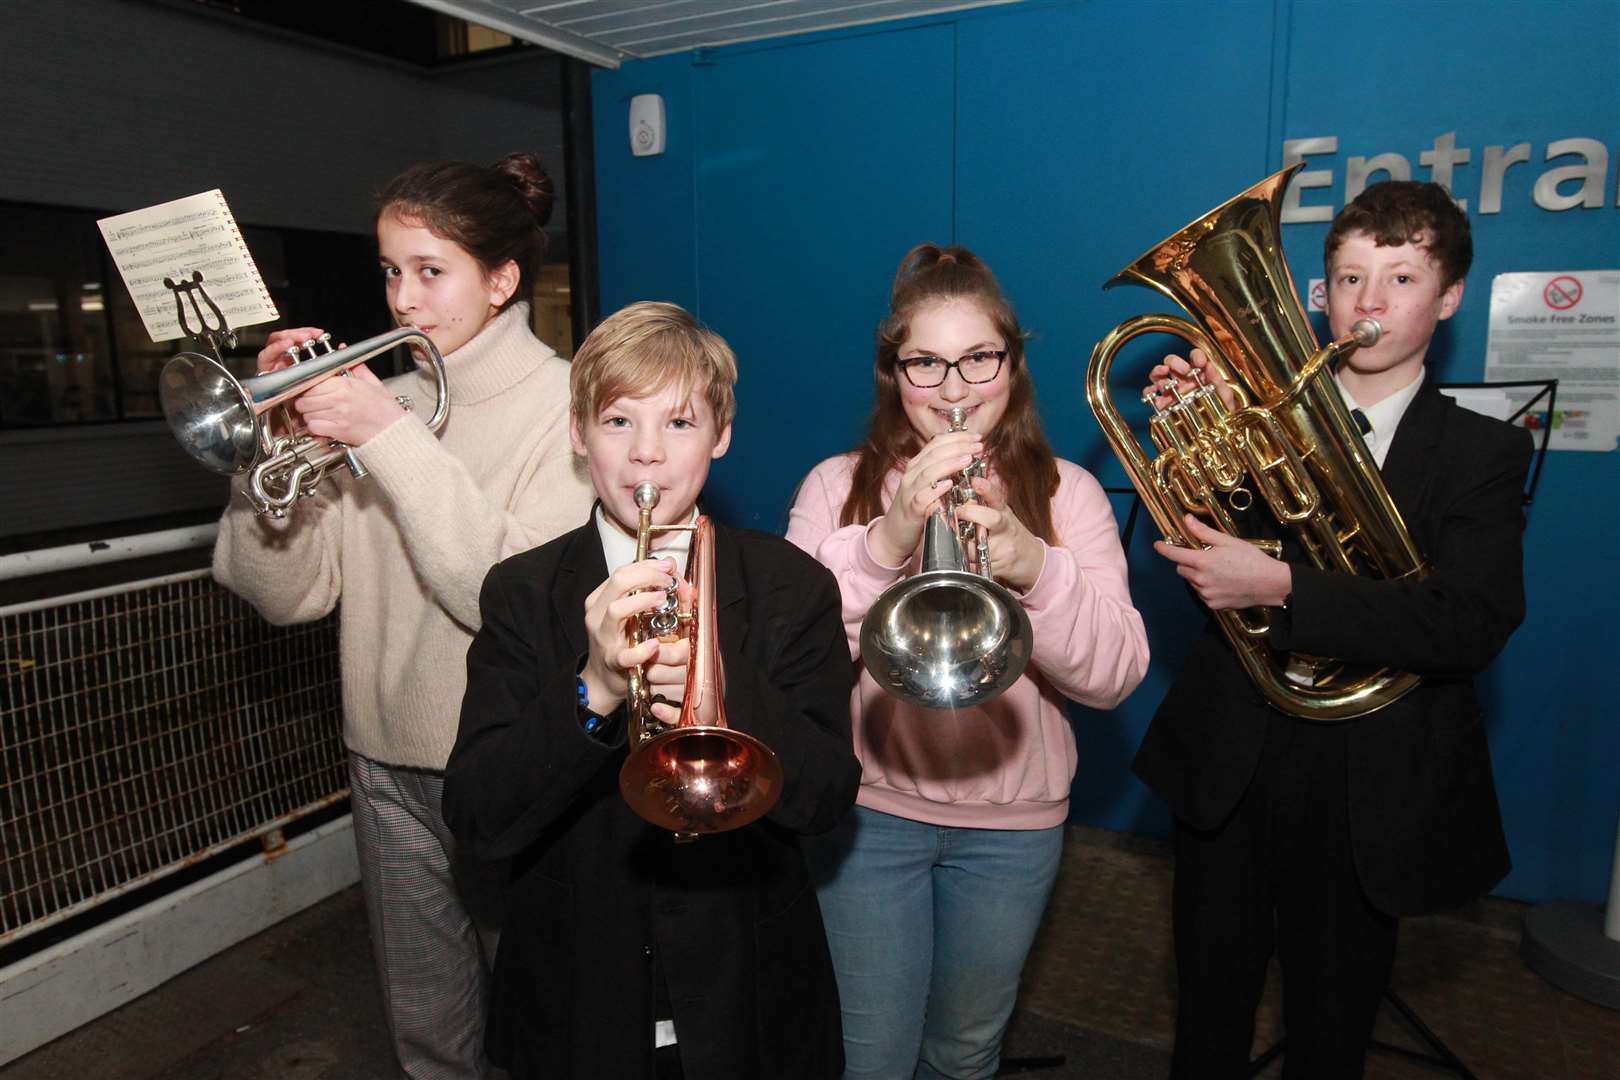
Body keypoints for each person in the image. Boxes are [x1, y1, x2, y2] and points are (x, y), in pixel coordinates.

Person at [1134, 180, 1532, 1078]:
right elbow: (1173, 549)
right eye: (1350, 278)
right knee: (1205, 1009)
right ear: (1320, 295)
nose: (1371, 304)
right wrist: (1193, 437)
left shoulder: (1483, 453)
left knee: (1331, 1026)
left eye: (1401, 279)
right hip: (1235, 756)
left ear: (1451, 298)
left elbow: (1469, 622)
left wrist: (1282, 583)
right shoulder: (1257, 417)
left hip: (1367, 782)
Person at [213, 152, 594, 1079]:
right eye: (390, 270)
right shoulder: (390, 402)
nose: (403, 300)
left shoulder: (574, 405)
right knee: (427, 1026)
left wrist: (386, 439)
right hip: (382, 758)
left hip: (514, 760)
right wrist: (270, 455)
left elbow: (510, 603)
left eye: (432, 271)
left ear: (503, 281)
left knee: (551, 1018)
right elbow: (288, 593)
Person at [443, 301, 862, 1080]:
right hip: (580, 990)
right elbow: (479, 817)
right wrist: (594, 687)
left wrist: (726, 688)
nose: (646, 457)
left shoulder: (789, 586)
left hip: (750, 988)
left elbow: (828, 794)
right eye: (616, 422)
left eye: (678, 424)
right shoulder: (523, 591)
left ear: (721, 436)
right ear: (578, 435)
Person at [785, 244, 1151, 1079]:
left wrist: (1031, 562)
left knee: (964, 1053)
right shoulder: (833, 487)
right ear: (895, 372)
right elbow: (785, 663)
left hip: (1015, 832)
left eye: (978, 358)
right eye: (926, 364)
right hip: (868, 820)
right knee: (871, 1057)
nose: (954, 389)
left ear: (1012, 363)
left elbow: (1118, 674)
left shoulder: (1068, 495)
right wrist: (884, 541)